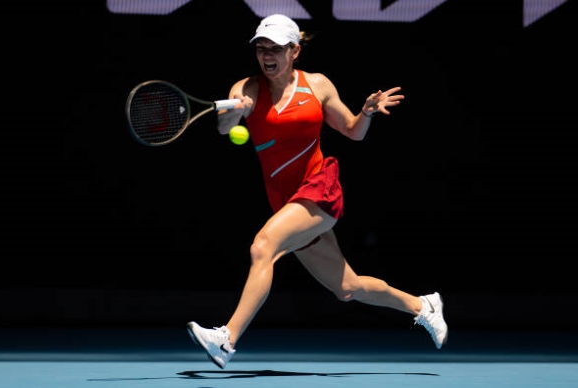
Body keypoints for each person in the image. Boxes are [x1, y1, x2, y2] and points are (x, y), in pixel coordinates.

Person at [187, 14, 448, 369]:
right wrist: (238, 112)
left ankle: (227, 339)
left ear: (294, 50)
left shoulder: (318, 85)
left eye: (275, 48)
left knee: (264, 246)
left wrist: (366, 112)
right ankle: (423, 306)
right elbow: (223, 128)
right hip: (286, 201)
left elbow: (354, 131)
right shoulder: (246, 89)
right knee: (347, 288)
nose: (267, 55)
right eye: (261, 48)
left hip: (319, 189)